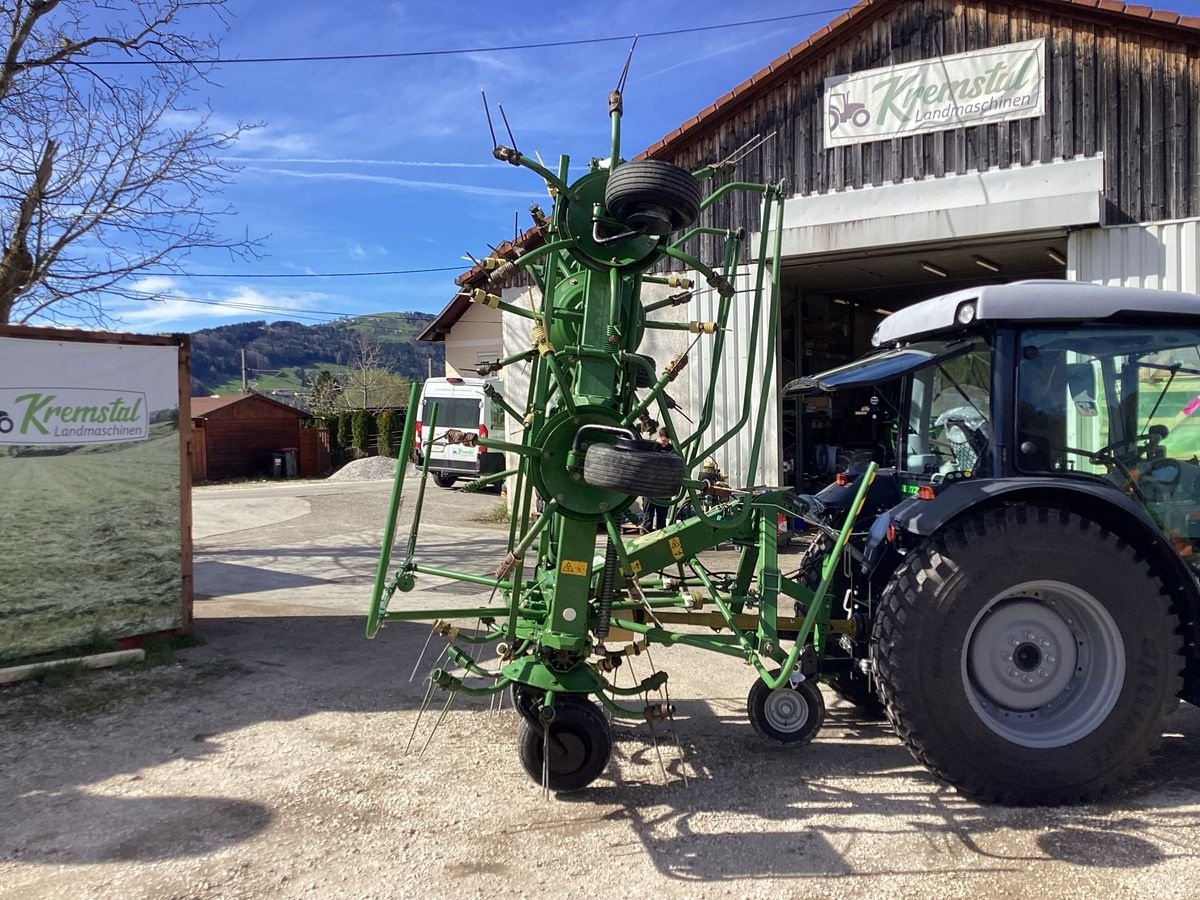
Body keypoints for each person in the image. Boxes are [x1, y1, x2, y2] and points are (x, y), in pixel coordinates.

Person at [642, 427, 674, 532]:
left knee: (662, 519)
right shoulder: (650, 447)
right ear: (659, 437)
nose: (665, 444)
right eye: (664, 441)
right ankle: (645, 540)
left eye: (667, 441)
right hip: (649, 488)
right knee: (648, 518)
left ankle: (661, 541)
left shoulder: (671, 449)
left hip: (664, 489)